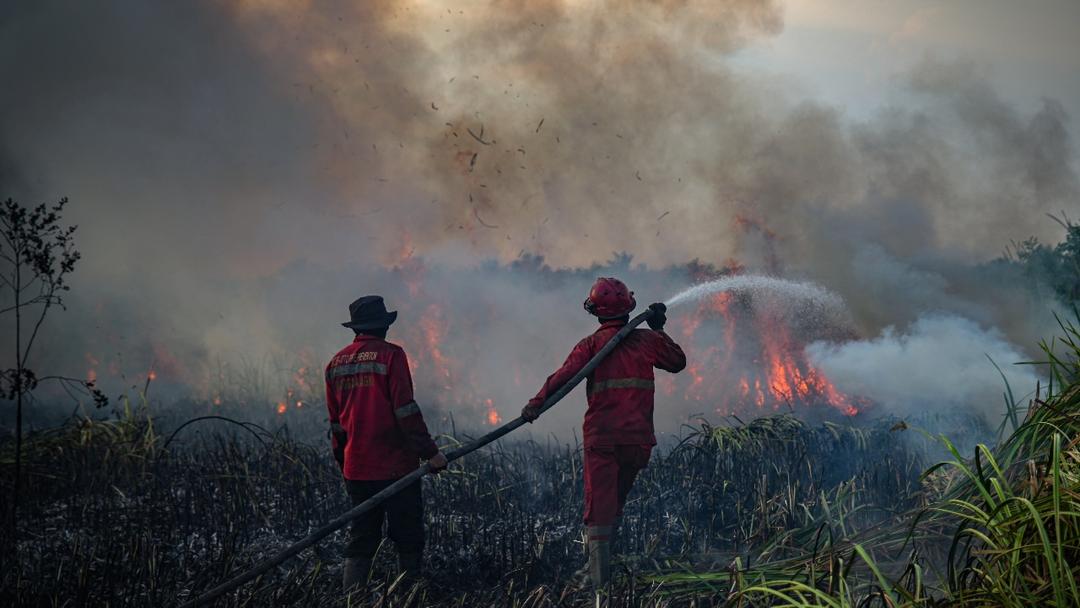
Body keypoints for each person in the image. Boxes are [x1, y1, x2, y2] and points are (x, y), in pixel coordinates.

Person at [521, 277, 686, 588]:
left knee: (599, 510)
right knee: (616, 504)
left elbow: (563, 376)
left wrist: (535, 404)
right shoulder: (647, 342)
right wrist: (658, 329)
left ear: (596, 312)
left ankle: (599, 585)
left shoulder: (590, 345)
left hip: (603, 440)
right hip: (638, 441)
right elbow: (677, 362)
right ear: (628, 308)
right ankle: (602, 567)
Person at [325, 295, 448, 593]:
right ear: (383, 326)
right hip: (395, 467)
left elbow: (336, 425)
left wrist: (345, 464)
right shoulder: (392, 355)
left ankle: (351, 596)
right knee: (407, 533)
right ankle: (409, 593)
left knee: (362, 534)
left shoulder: (335, 363)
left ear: (356, 328)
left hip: (357, 468)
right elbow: (405, 410)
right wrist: (430, 453)